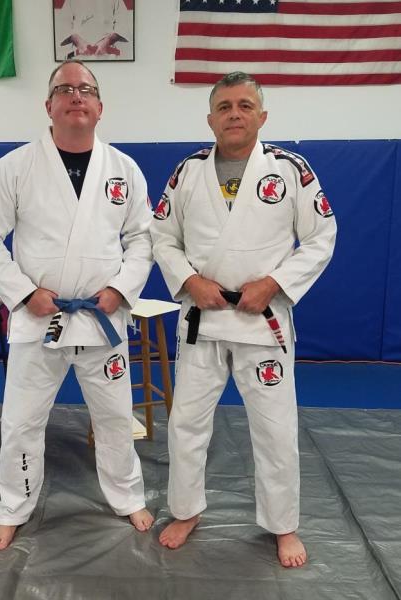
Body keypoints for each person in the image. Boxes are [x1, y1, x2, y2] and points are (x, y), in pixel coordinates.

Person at [151, 72, 336, 567]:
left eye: (245, 105)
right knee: (186, 423)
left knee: (275, 429)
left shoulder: (290, 169)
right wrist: (189, 280)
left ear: (262, 116)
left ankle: (283, 525)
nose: (235, 113)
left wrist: (274, 283)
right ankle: (186, 510)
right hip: (202, 318)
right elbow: (161, 236)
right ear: (211, 119)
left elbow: (321, 236)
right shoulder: (187, 171)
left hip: (263, 321)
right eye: (225, 106)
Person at [0, 59, 154, 550]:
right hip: (39, 319)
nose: (76, 96)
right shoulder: (15, 166)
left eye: (86, 89)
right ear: (48, 104)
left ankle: (127, 496)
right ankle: (14, 507)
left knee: (115, 417)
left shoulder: (124, 170)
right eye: (65, 89)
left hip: (100, 318)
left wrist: (122, 289)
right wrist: (24, 293)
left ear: (100, 107)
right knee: (21, 422)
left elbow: (143, 239)